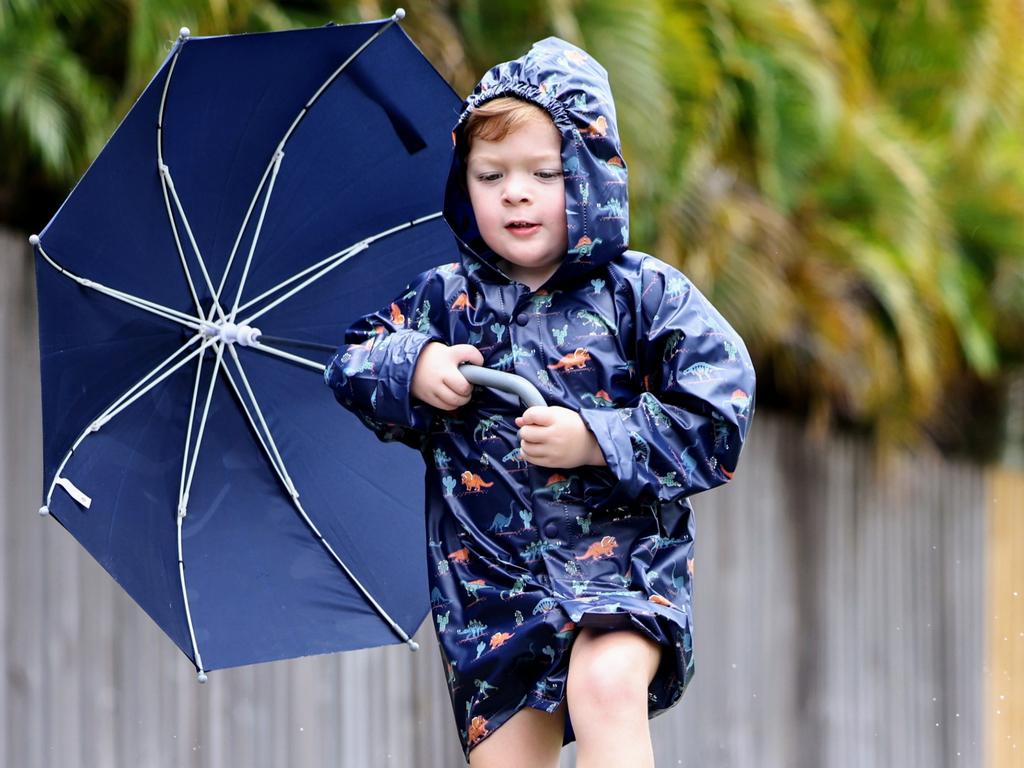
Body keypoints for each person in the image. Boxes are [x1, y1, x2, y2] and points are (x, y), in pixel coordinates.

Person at [325, 37, 756, 768]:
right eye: (489, 175)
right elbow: (352, 360)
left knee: (605, 686)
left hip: (620, 569)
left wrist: (596, 437)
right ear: (465, 184)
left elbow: (720, 411)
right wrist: (414, 364)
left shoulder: (642, 295)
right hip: (488, 592)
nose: (514, 193)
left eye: (542, 173)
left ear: (586, 175)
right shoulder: (445, 299)